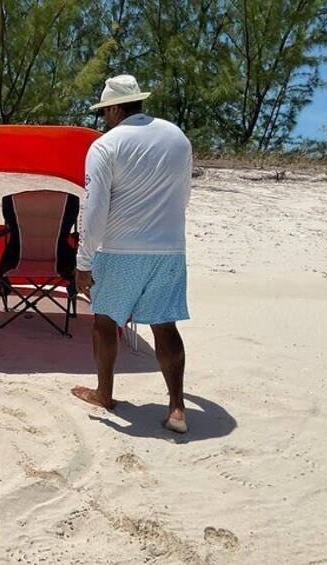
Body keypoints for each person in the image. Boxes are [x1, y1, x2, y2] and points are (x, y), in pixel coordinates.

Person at [71, 75, 193, 433]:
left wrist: (83, 261)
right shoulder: (177, 138)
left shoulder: (106, 145)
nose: (103, 119)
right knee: (164, 325)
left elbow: (95, 209)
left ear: (114, 108)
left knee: (105, 321)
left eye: (104, 112)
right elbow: (183, 196)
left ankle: (105, 394)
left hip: (120, 249)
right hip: (169, 249)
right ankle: (177, 408)